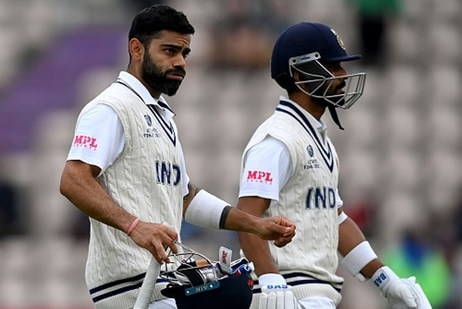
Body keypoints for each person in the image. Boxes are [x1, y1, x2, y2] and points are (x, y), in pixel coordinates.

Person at [59, 5, 295, 309]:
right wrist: (135, 227)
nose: (180, 62)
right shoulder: (111, 108)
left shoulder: (162, 116)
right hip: (130, 286)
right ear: (137, 49)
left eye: (184, 53)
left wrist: (254, 225)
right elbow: (72, 180)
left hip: (162, 284)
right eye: (169, 50)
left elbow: (185, 198)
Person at [235, 22, 431, 309]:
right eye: (332, 67)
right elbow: (246, 217)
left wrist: (384, 278)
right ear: (300, 74)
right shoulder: (278, 139)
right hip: (289, 290)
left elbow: (334, 219)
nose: (342, 76)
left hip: (316, 293)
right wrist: (270, 280)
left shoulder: (316, 137)